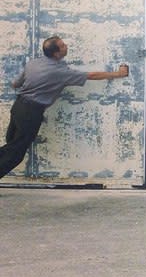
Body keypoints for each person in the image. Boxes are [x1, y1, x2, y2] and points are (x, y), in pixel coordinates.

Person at [0, 36, 129, 179]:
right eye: (62, 46)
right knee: (15, 153)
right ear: (56, 53)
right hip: (31, 112)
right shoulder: (58, 72)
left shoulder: (33, 63)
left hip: (18, 106)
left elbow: (16, 84)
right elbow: (91, 75)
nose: (66, 46)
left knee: (11, 145)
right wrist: (118, 74)